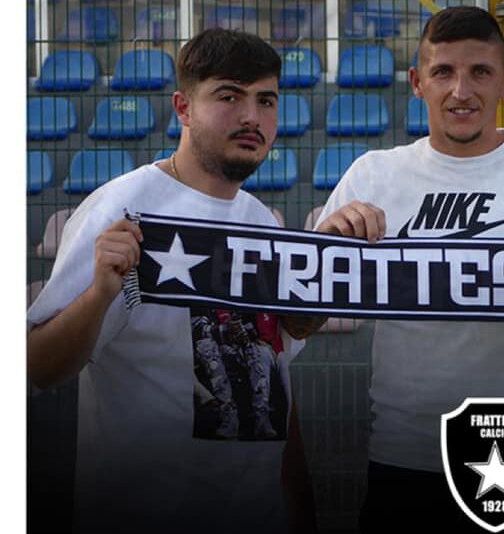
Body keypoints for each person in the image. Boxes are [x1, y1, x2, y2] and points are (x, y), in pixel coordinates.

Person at [313, 5, 504, 532]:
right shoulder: (372, 176)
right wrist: (326, 246)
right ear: (417, 82)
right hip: (404, 452)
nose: (461, 91)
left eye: (479, 72)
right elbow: (300, 322)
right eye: (443, 72)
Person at [27, 28, 316, 534]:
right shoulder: (121, 207)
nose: (252, 116)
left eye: (266, 100)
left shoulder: (262, 222)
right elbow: (36, 366)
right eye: (229, 96)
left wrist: (301, 511)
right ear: (183, 108)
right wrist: (99, 294)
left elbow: (273, 383)